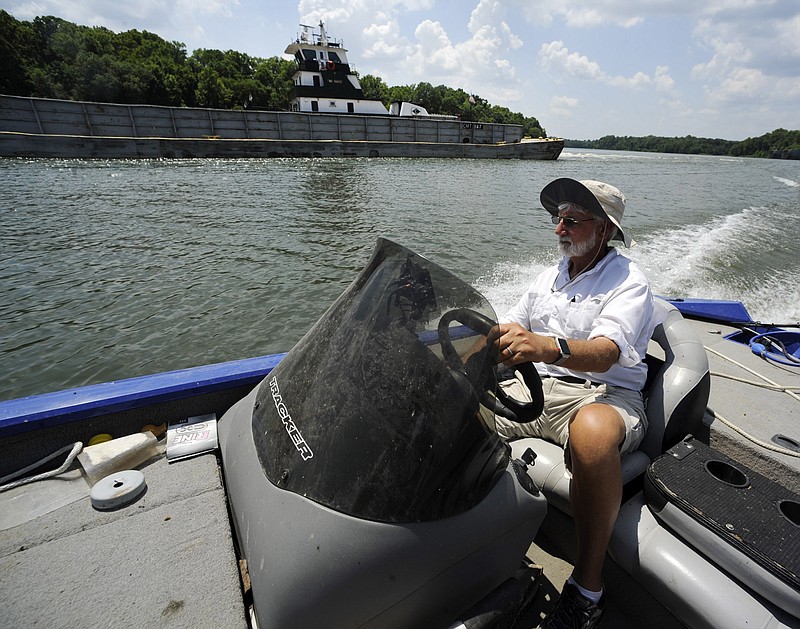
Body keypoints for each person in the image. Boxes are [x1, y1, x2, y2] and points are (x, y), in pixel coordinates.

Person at [493, 178, 654, 628]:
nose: (559, 229)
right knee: (462, 411)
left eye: (571, 220)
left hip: (605, 394)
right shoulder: (551, 276)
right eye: (557, 219)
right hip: (541, 387)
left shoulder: (630, 281)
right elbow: (511, 324)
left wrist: (547, 347)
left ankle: (587, 589)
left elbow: (606, 353)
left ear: (603, 229)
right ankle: (475, 537)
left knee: (593, 435)